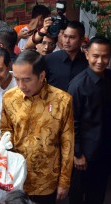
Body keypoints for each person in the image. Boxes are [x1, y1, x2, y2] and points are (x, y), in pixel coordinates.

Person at [0, 50, 74, 204]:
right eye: (17, 79)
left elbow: (68, 144)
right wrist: (3, 141)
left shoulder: (62, 101)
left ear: (42, 76)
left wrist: (64, 181)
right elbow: (6, 129)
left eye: (27, 80)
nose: (21, 86)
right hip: (17, 176)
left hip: (47, 180)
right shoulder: (9, 98)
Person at [67, 36, 111, 204]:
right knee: (78, 195)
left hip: (104, 151)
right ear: (87, 54)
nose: (100, 61)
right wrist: (78, 154)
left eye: (105, 56)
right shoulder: (78, 85)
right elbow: (72, 122)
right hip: (85, 155)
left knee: (98, 194)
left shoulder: (109, 78)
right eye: (96, 56)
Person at [44, 21, 88, 91]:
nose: (67, 41)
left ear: (82, 39)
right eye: (65, 36)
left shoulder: (88, 62)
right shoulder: (49, 60)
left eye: (72, 37)